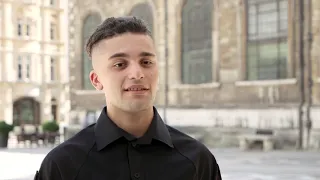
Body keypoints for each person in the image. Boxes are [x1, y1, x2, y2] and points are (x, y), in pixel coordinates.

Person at [34, 16, 222, 180]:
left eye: (146, 62)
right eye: (120, 64)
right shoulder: (62, 165)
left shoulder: (198, 160)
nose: (137, 73)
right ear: (96, 80)